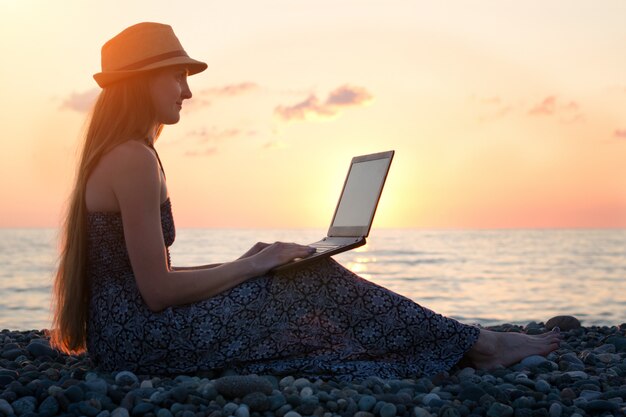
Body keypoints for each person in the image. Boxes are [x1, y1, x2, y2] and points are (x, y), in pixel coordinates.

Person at [51, 22, 560, 379]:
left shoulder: (124, 155)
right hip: (142, 341)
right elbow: (158, 291)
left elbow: (148, 280)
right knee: (306, 275)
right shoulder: (132, 160)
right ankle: (481, 347)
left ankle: (461, 342)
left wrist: (245, 261)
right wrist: (256, 268)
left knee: (291, 278)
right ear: (140, 83)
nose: (187, 91)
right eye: (176, 76)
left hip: (124, 337)